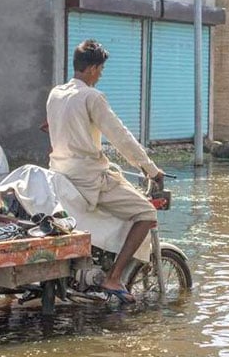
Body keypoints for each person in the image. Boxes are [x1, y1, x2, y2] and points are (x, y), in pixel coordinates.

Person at [45, 39, 164, 303]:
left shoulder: (56, 93)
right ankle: (114, 277)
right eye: (100, 70)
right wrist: (151, 170)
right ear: (92, 69)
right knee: (146, 212)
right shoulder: (91, 96)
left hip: (59, 174)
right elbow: (120, 137)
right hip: (88, 178)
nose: (100, 76)